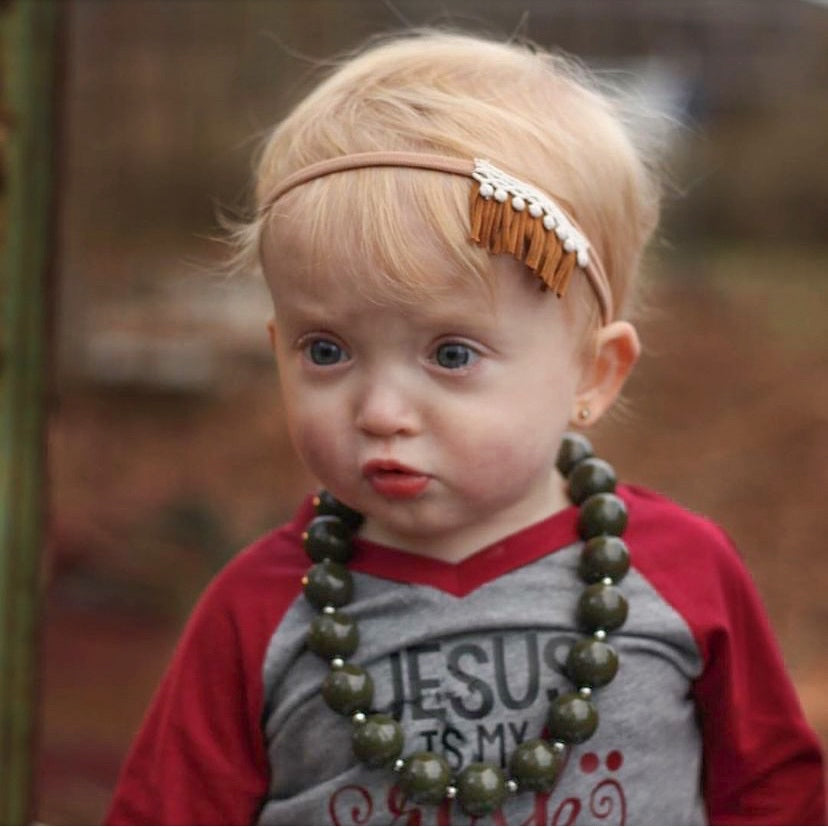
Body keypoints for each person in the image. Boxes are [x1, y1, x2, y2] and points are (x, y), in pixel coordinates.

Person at [105, 30, 825, 825]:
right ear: (278, 350)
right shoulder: (261, 612)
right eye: (327, 350)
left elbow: (777, 797)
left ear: (594, 373)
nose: (380, 410)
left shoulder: (681, 574)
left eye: (451, 353)